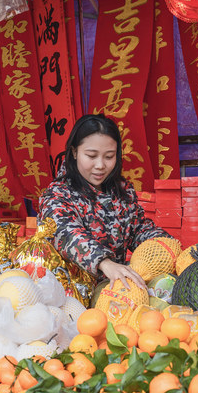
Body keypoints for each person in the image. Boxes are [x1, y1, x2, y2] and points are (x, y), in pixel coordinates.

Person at [39, 114, 170, 289]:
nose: (100, 165)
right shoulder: (58, 194)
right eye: (91, 156)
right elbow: (67, 234)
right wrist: (104, 263)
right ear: (74, 152)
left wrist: (168, 245)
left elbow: (139, 230)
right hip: (71, 296)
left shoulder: (122, 192)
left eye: (109, 156)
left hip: (116, 290)